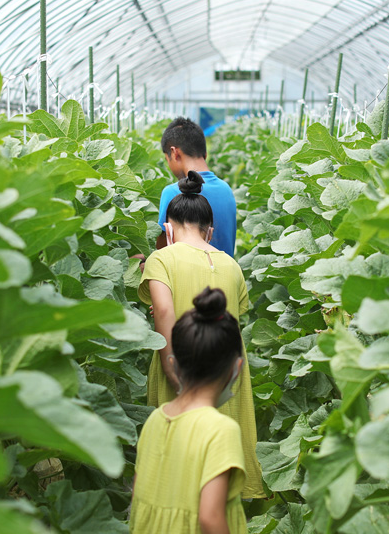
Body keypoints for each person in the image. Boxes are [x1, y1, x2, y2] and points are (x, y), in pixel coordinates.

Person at [138, 171, 263, 499]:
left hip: (182, 373)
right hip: (224, 376)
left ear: (169, 227)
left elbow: (164, 313)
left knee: (176, 478)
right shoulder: (231, 265)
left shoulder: (161, 259)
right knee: (219, 471)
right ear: (211, 230)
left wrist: (172, 370)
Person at [130, 287, 248, 533]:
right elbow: (210, 518)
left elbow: (137, 497)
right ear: (235, 368)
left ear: (174, 364)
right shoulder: (221, 430)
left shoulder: (155, 419)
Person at [156, 117, 237, 256]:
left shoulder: (172, 192)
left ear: (175, 153)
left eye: (167, 159)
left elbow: (163, 251)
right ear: (204, 154)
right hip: (226, 274)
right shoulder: (227, 190)